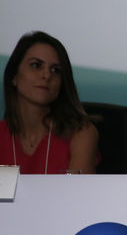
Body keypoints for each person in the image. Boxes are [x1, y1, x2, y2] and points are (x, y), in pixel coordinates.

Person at [1, 31, 99, 174]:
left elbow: (78, 195)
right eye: (36, 65)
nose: (47, 75)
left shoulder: (81, 134)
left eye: (56, 70)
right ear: (14, 76)